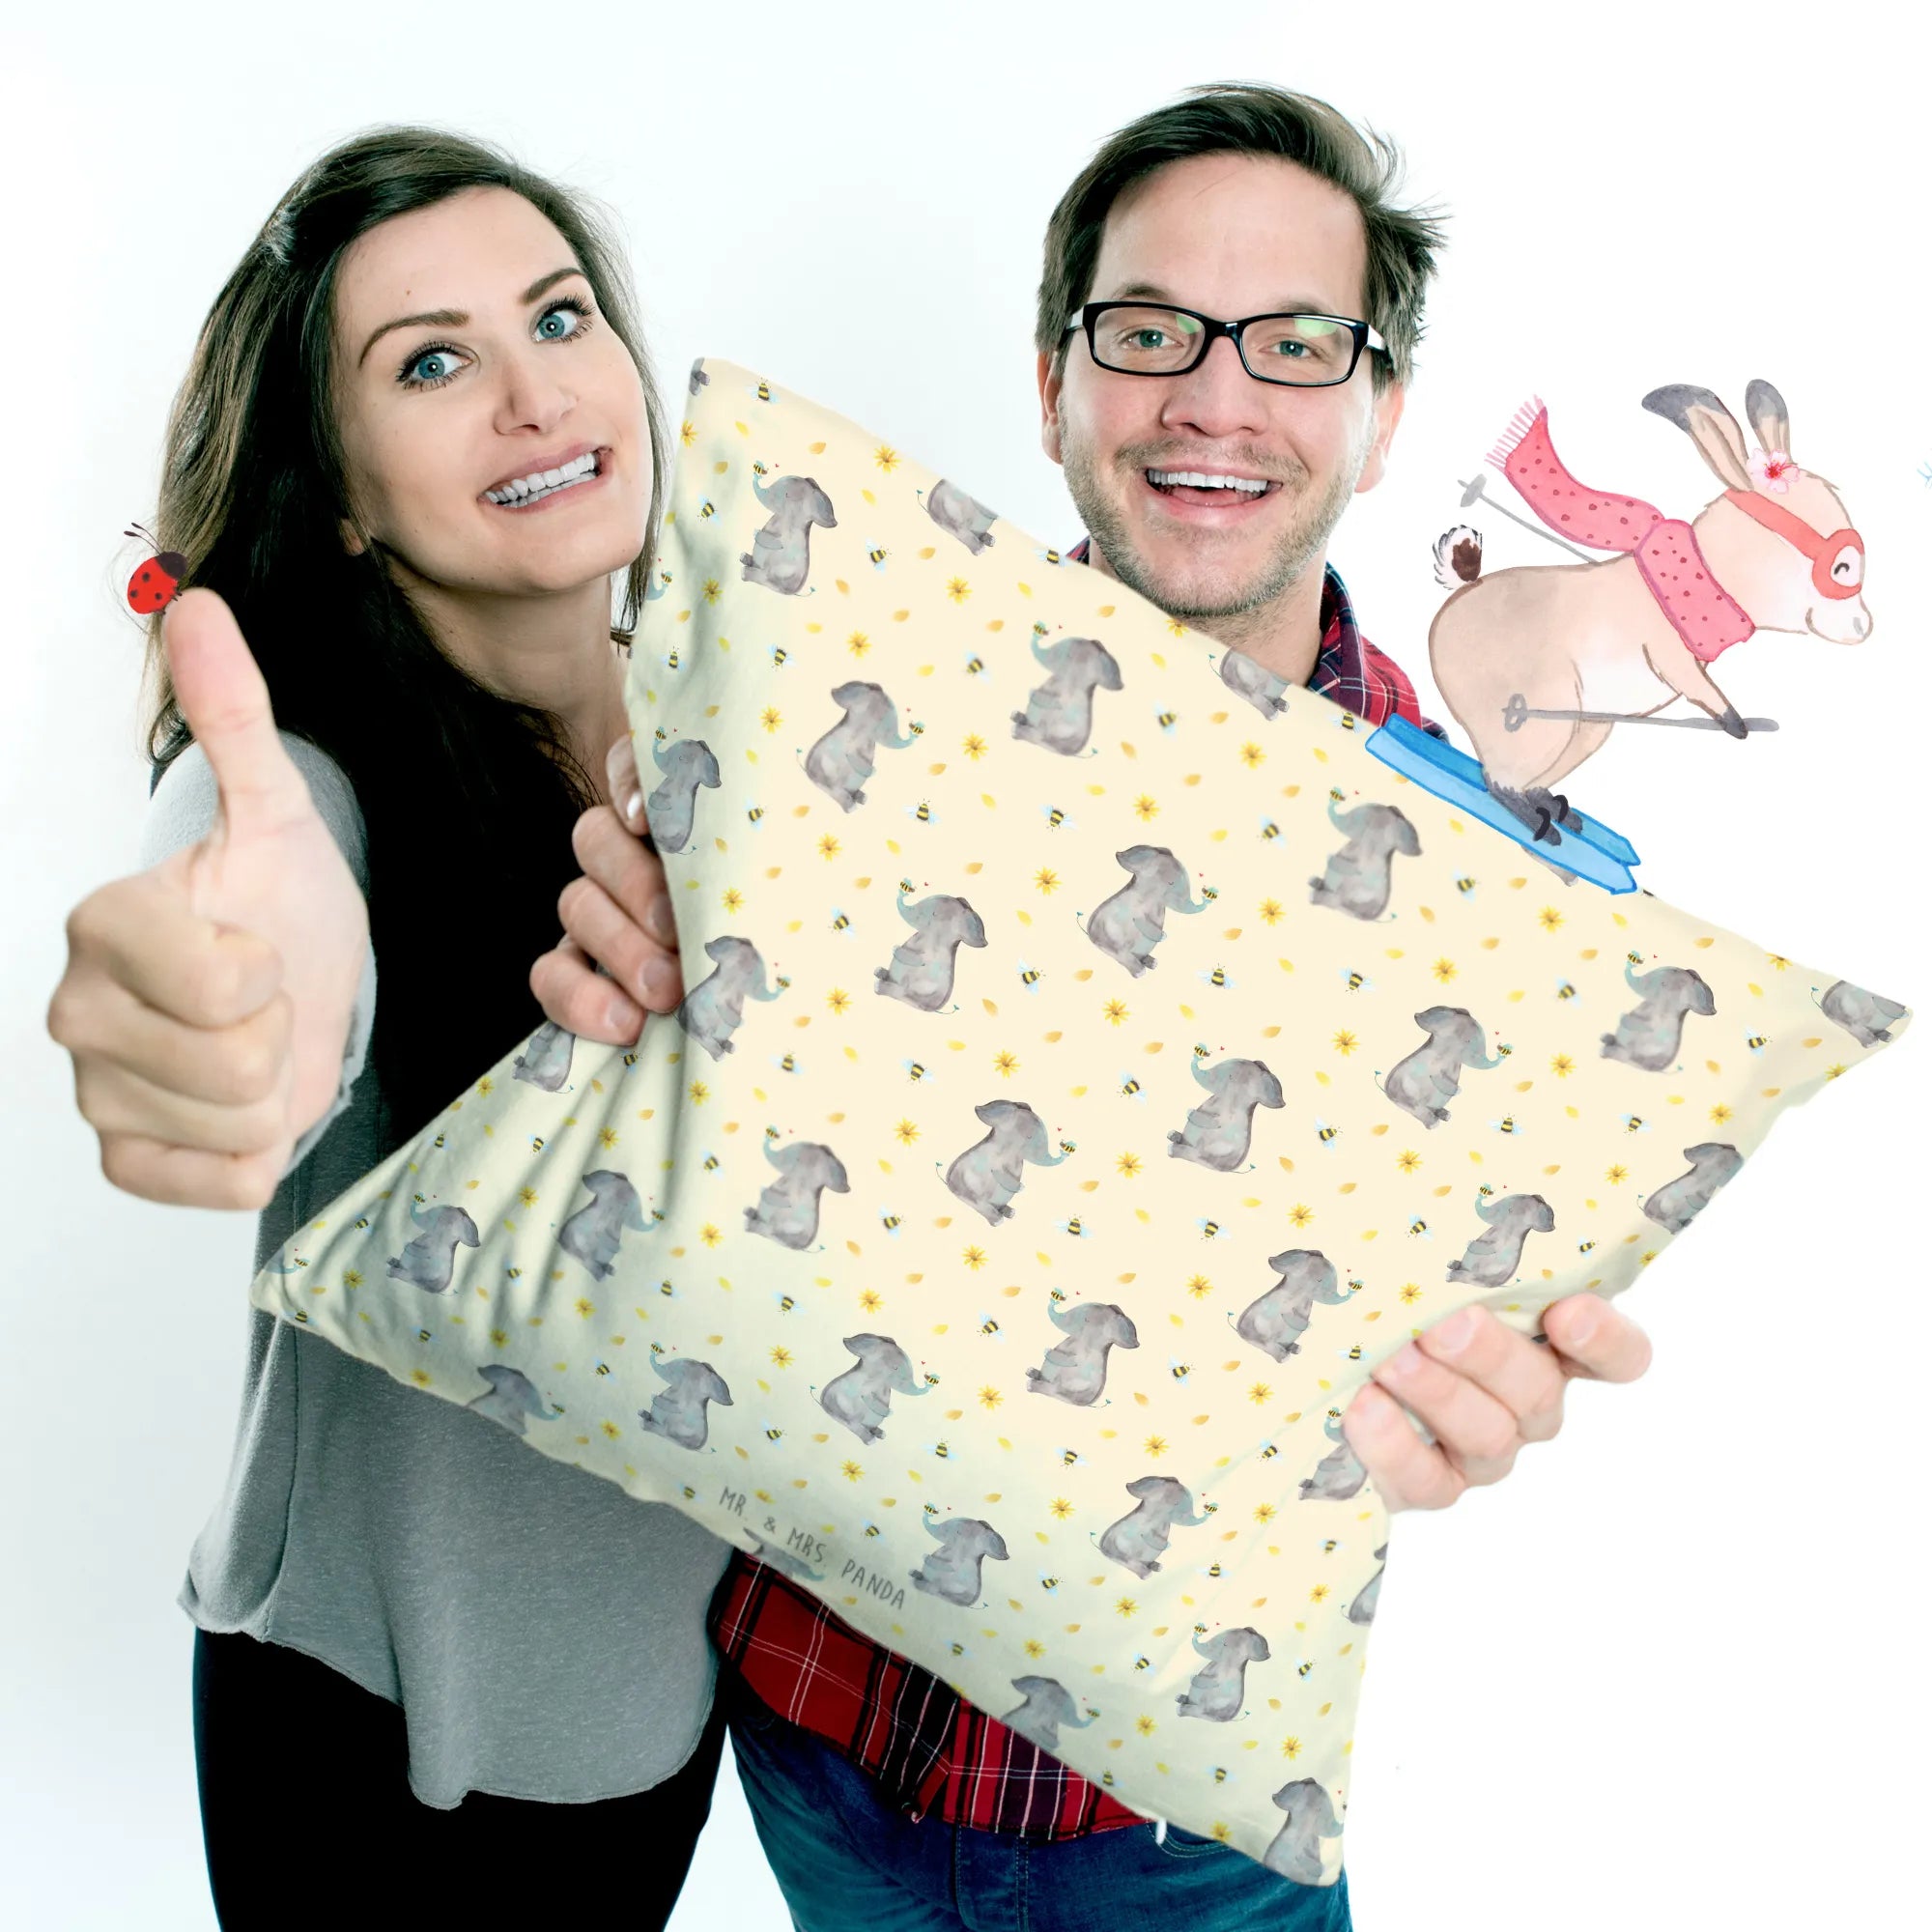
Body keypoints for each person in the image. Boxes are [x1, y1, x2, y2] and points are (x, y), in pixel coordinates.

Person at [535, 84, 1656, 1931]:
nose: (1216, 398)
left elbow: (1448, 1330)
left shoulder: (1491, 888)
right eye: (1151, 333)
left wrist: (1480, 1374)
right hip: (806, 1736)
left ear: (1380, 418)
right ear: (1055, 383)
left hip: (1179, 1826)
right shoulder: (832, 714)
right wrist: (626, 990)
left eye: (1297, 343)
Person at [44, 129, 716, 1927]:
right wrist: (223, 1004)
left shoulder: (732, 742)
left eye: (558, 318)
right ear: (341, 496)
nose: (532, 394)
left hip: (662, 1712)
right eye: (429, 363)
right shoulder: (308, 786)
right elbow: (253, 908)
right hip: (378, 1739)